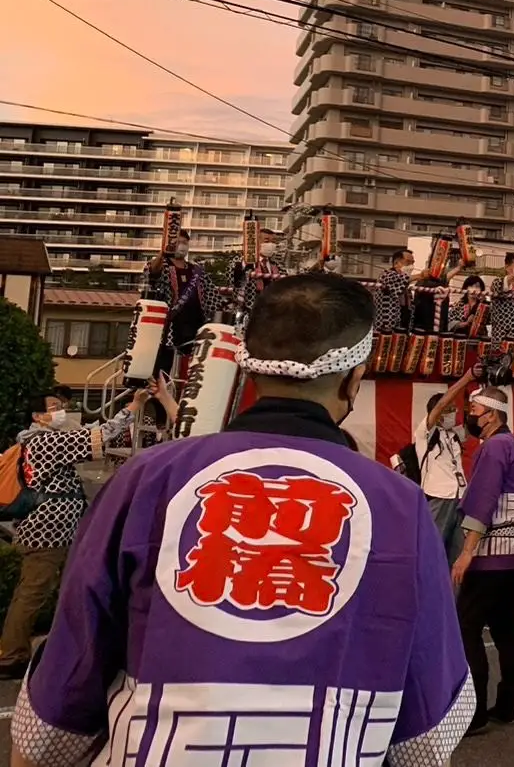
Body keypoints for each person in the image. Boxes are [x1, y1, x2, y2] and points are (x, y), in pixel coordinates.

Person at [9, 272, 473, 762]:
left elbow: (69, 674)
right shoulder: (398, 504)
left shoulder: (147, 478)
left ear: (248, 370)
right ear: (354, 377)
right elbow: (423, 729)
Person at [0, 391, 141, 679]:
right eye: (53, 407)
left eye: (61, 405)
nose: (61, 410)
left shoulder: (33, 440)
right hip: (47, 532)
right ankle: (10, 655)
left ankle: (17, 650)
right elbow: (99, 435)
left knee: (33, 591)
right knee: (33, 592)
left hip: (47, 530)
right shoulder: (45, 441)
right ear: (38, 417)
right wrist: (133, 407)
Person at [453, 386, 514, 733]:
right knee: (505, 628)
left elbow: (483, 500)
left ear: (491, 413)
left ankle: (474, 714)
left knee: (467, 627)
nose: (469, 416)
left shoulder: (494, 447)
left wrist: (467, 552)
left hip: (491, 553)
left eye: (473, 409)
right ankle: (506, 704)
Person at [415, 370, 477, 564]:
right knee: (432, 553)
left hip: (459, 498)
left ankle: (452, 594)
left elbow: (475, 424)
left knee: (457, 556)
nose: (454, 413)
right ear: (439, 413)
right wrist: (467, 378)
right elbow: (441, 403)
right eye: (450, 410)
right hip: (438, 497)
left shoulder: (453, 434)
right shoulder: (425, 432)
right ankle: (428, 594)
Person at [143, 228, 217, 377]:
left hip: (195, 322)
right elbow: (151, 274)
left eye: (185, 242)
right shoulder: (162, 266)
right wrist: (163, 253)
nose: (182, 245)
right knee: (163, 364)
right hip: (169, 323)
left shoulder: (197, 270)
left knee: (193, 362)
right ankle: (157, 395)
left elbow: (212, 294)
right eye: (178, 242)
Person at [374, 247, 416, 333]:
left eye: (412, 263)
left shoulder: (406, 284)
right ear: (396, 263)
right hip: (386, 326)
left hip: (404, 325)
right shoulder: (386, 275)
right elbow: (399, 280)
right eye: (408, 262)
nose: (411, 266)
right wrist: (421, 275)